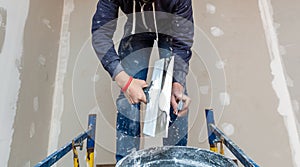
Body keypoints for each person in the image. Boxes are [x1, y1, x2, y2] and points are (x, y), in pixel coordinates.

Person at [91, 0, 194, 162]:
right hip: (136, 27)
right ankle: (126, 162)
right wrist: (125, 82)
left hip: (170, 29)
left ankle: (177, 161)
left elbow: (183, 40)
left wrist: (178, 82)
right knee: (127, 100)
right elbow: (100, 34)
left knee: (176, 98)